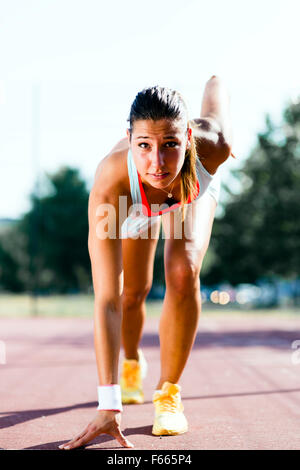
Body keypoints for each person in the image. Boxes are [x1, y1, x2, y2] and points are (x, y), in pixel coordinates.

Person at [59, 75, 234, 450]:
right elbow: (106, 299)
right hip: (134, 204)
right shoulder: (112, 181)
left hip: (190, 191)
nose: (157, 161)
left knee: (183, 272)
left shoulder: (213, 146)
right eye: (144, 145)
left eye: (170, 144)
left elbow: (215, 97)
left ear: (187, 137)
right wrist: (109, 403)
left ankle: (168, 393)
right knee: (131, 291)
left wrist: (217, 78)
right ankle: (132, 365)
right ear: (129, 139)